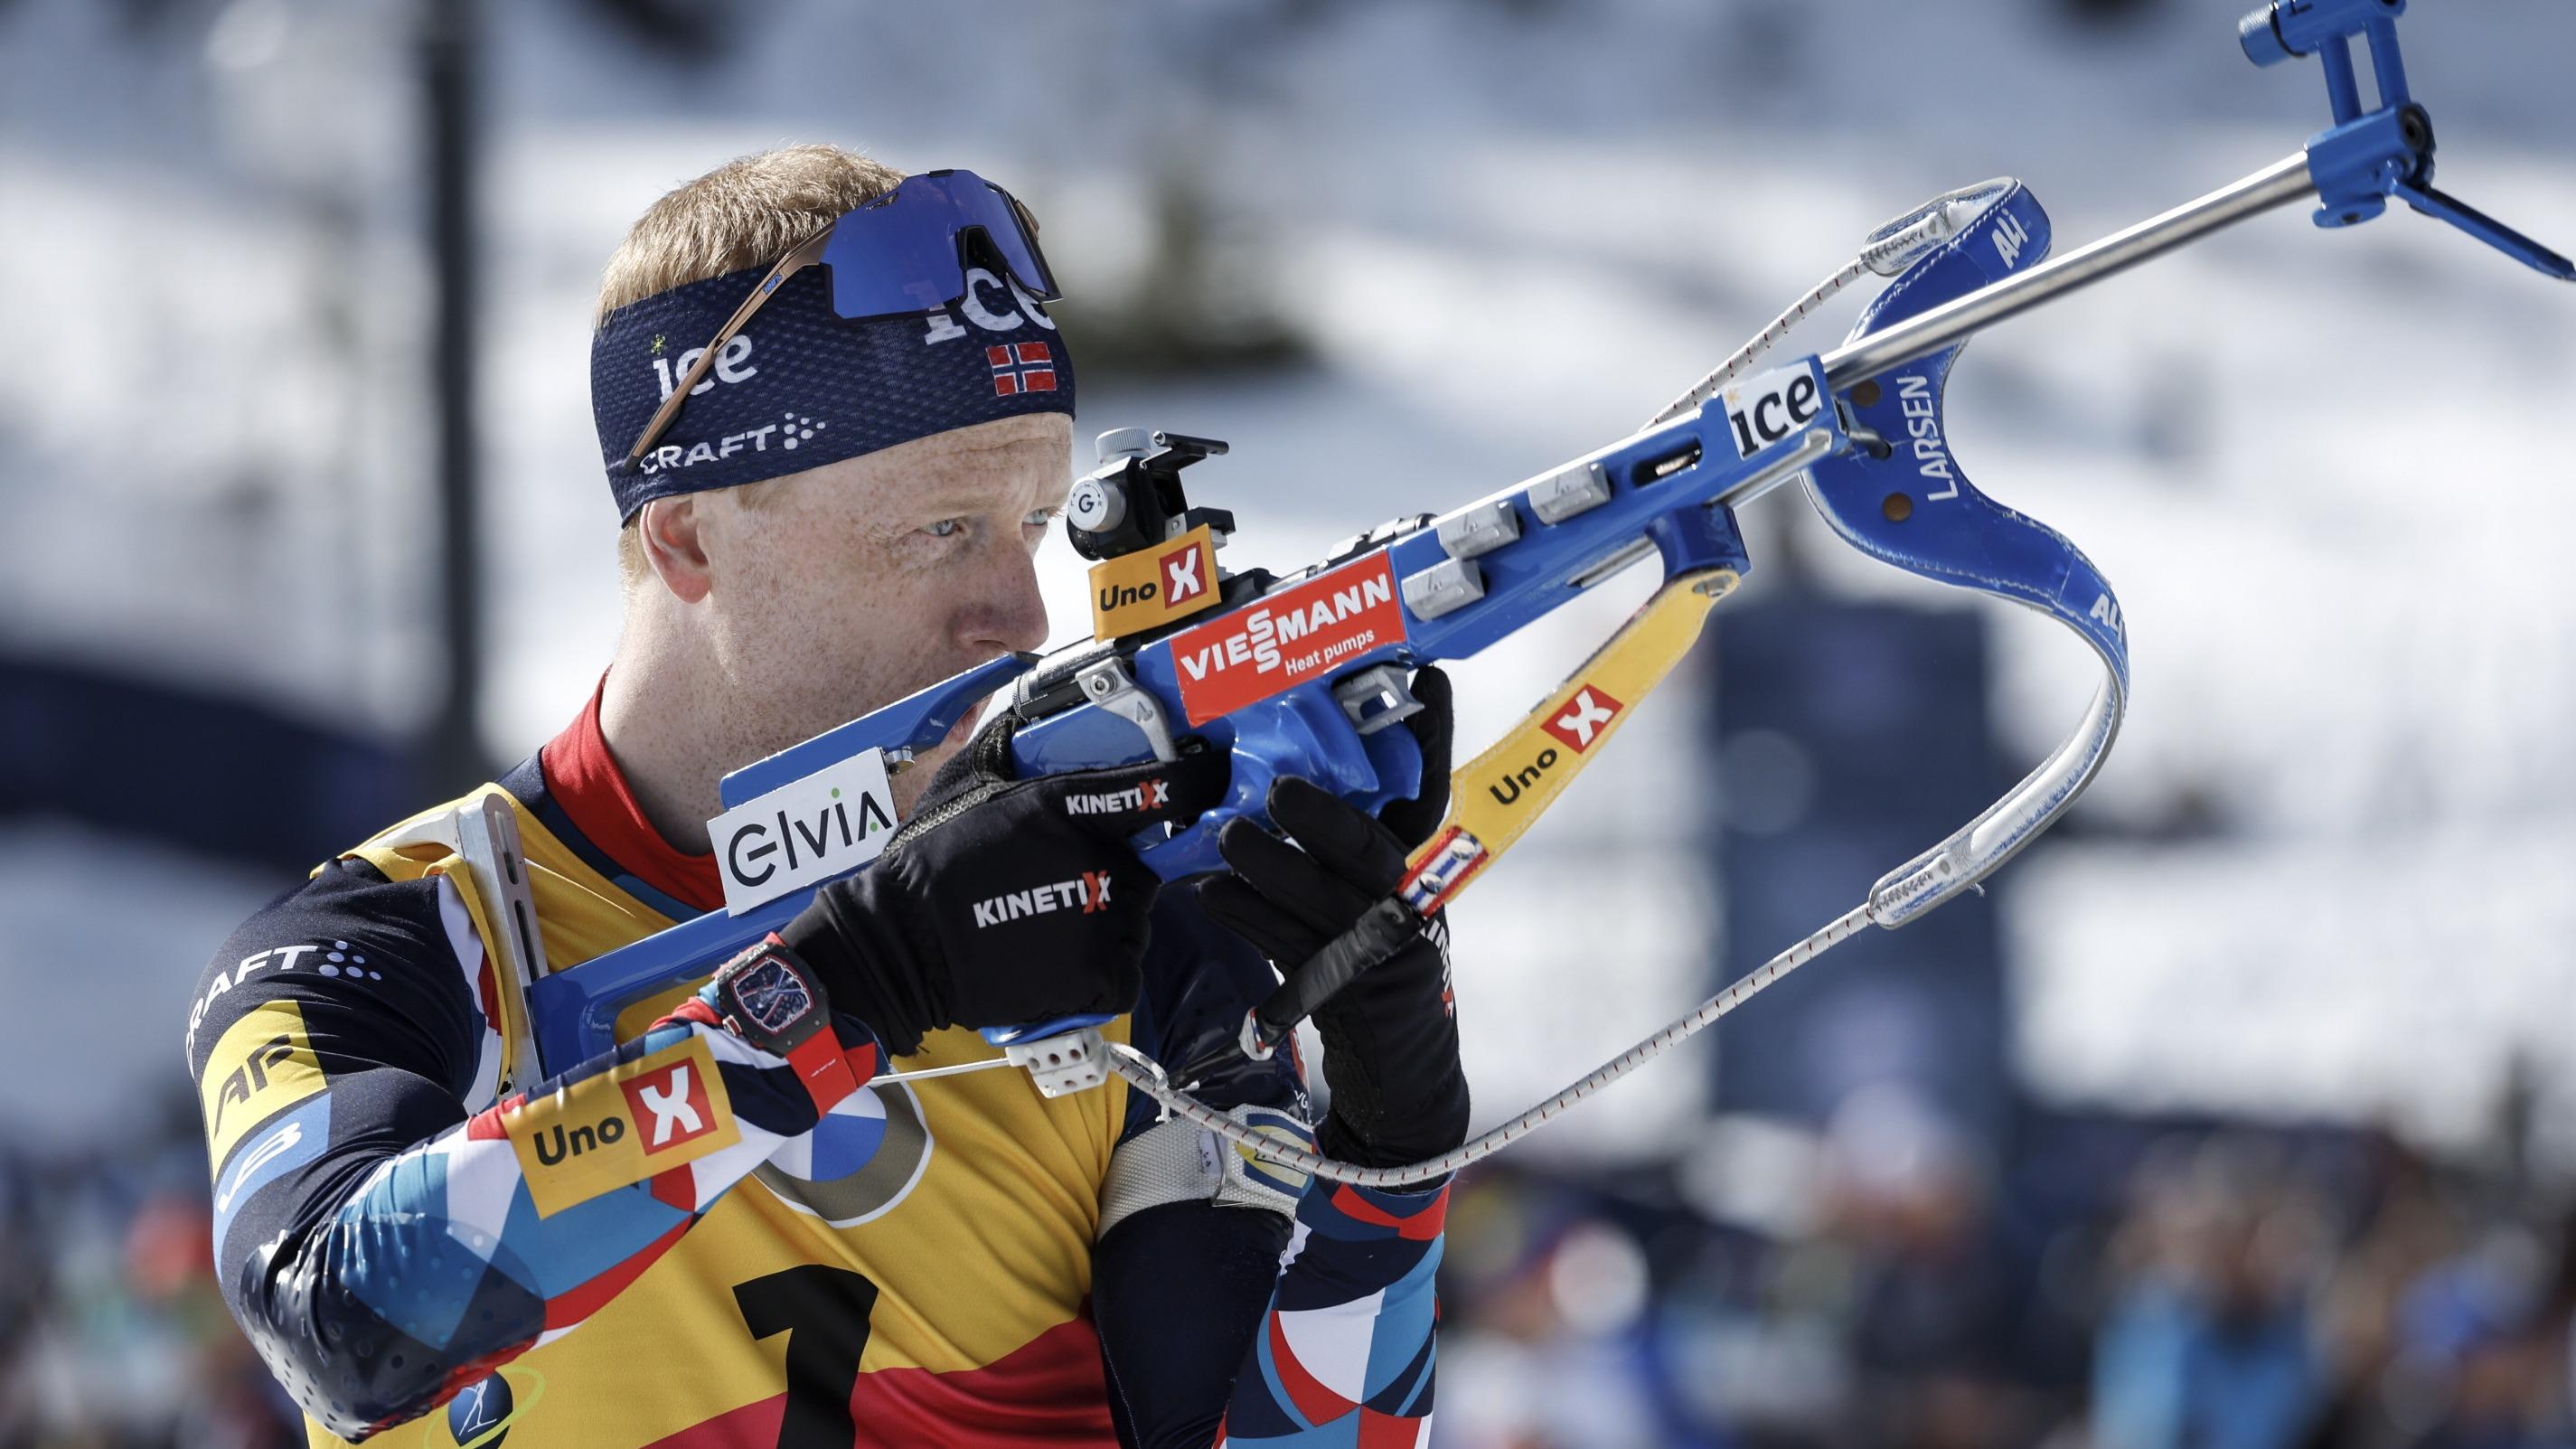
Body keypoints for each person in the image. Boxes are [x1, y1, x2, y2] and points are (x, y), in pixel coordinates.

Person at [184, 145, 1469, 1448]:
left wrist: (1385, 1141)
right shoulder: (390, 943)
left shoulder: (1106, 933)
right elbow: (341, 1320)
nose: (1018, 615)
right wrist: (841, 991)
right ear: (688, 535)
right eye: (941, 530)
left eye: (1031, 526)